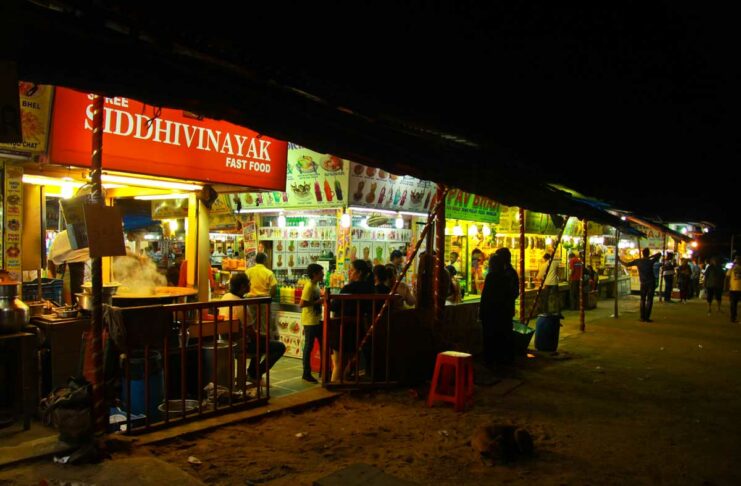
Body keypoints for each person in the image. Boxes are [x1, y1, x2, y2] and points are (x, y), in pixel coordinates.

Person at [218, 272, 286, 384]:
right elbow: (252, 335)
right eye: (249, 283)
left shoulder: (226, 297)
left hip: (226, 341)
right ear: (242, 287)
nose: (250, 285)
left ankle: (252, 372)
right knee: (279, 347)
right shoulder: (241, 305)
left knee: (261, 340)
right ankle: (255, 373)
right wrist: (264, 336)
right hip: (241, 345)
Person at [329, 260, 375, 382]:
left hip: (343, 328)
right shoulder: (370, 288)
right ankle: (343, 385)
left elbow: (334, 306)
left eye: (352, 270)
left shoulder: (349, 288)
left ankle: (334, 387)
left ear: (359, 272)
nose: (349, 272)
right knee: (349, 361)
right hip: (359, 328)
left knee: (339, 363)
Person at [479, 249, 519, 367]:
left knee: (493, 338)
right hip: (503, 312)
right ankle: (503, 361)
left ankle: (493, 362)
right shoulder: (505, 276)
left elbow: (486, 297)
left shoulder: (496, 276)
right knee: (503, 337)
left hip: (493, 313)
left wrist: (482, 313)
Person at [48, 229, 90, 305]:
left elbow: (50, 262)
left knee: (68, 306)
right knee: (73, 306)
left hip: (62, 275)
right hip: (71, 274)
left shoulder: (60, 236)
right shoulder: (85, 233)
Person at [620, 249, 662, 322]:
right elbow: (659, 254)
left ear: (642, 253)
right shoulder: (650, 261)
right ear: (648, 253)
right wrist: (649, 257)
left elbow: (626, 264)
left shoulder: (638, 261)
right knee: (649, 300)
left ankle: (642, 317)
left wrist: (619, 260)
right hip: (650, 282)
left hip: (643, 283)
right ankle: (646, 317)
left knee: (642, 300)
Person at [300, 264, 324, 383]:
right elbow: (302, 304)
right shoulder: (309, 286)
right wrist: (318, 301)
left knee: (322, 344)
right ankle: (306, 373)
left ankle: (323, 370)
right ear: (315, 274)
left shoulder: (316, 285)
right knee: (308, 347)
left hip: (317, 319)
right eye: (321, 272)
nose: (323, 274)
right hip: (310, 321)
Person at [727, 255, 741, 324]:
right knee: (734, 304)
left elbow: (727, 275)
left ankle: (733, 318)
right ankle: (733, 318)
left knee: (733, 304)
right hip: (737, 288)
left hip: (733, 288)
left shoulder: (732, 268)